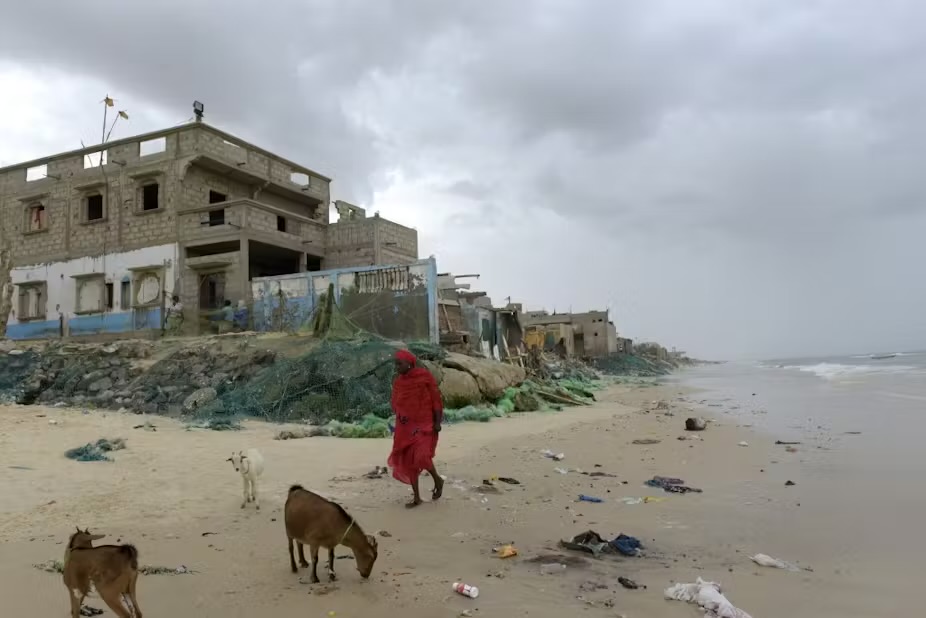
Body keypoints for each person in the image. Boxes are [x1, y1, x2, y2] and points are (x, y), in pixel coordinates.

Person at [387, 349, 444, 508]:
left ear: (409, 363)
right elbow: (396, 403)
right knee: (408, 460)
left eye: (400, 363)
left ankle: (438, 480)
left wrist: (438, 421)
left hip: (424, 423)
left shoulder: (424, 377)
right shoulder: (398, 381)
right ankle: (417, 497)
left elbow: (435, 400)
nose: (397, 367)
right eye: (396, 364)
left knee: (421, 457)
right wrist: (399, 414)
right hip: (405, 426)